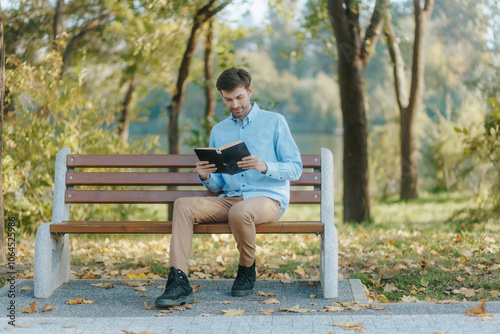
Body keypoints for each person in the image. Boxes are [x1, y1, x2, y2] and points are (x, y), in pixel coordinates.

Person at [155, 67, 302, 307]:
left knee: (240, 211)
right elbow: (218, 185)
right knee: (182, 205)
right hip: (231, 198)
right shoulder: (219, 130)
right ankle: (178, 281)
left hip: (267, 199)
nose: (234, 104)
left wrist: (264, 166)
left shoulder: (274, 122)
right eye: (228, 99)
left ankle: (246, 267)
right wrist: (206, 176)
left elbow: (295, 168)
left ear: (250, 91)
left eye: (239, 97)